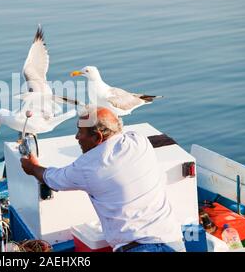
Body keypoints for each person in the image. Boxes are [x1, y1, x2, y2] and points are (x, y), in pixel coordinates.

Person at [20, 106, 186, 252]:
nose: (77, 137)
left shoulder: (88, 167)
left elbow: (52, 179)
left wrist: (32, 167)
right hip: (173, 241)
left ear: (98, 137)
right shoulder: (139, 141)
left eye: (80, 132)